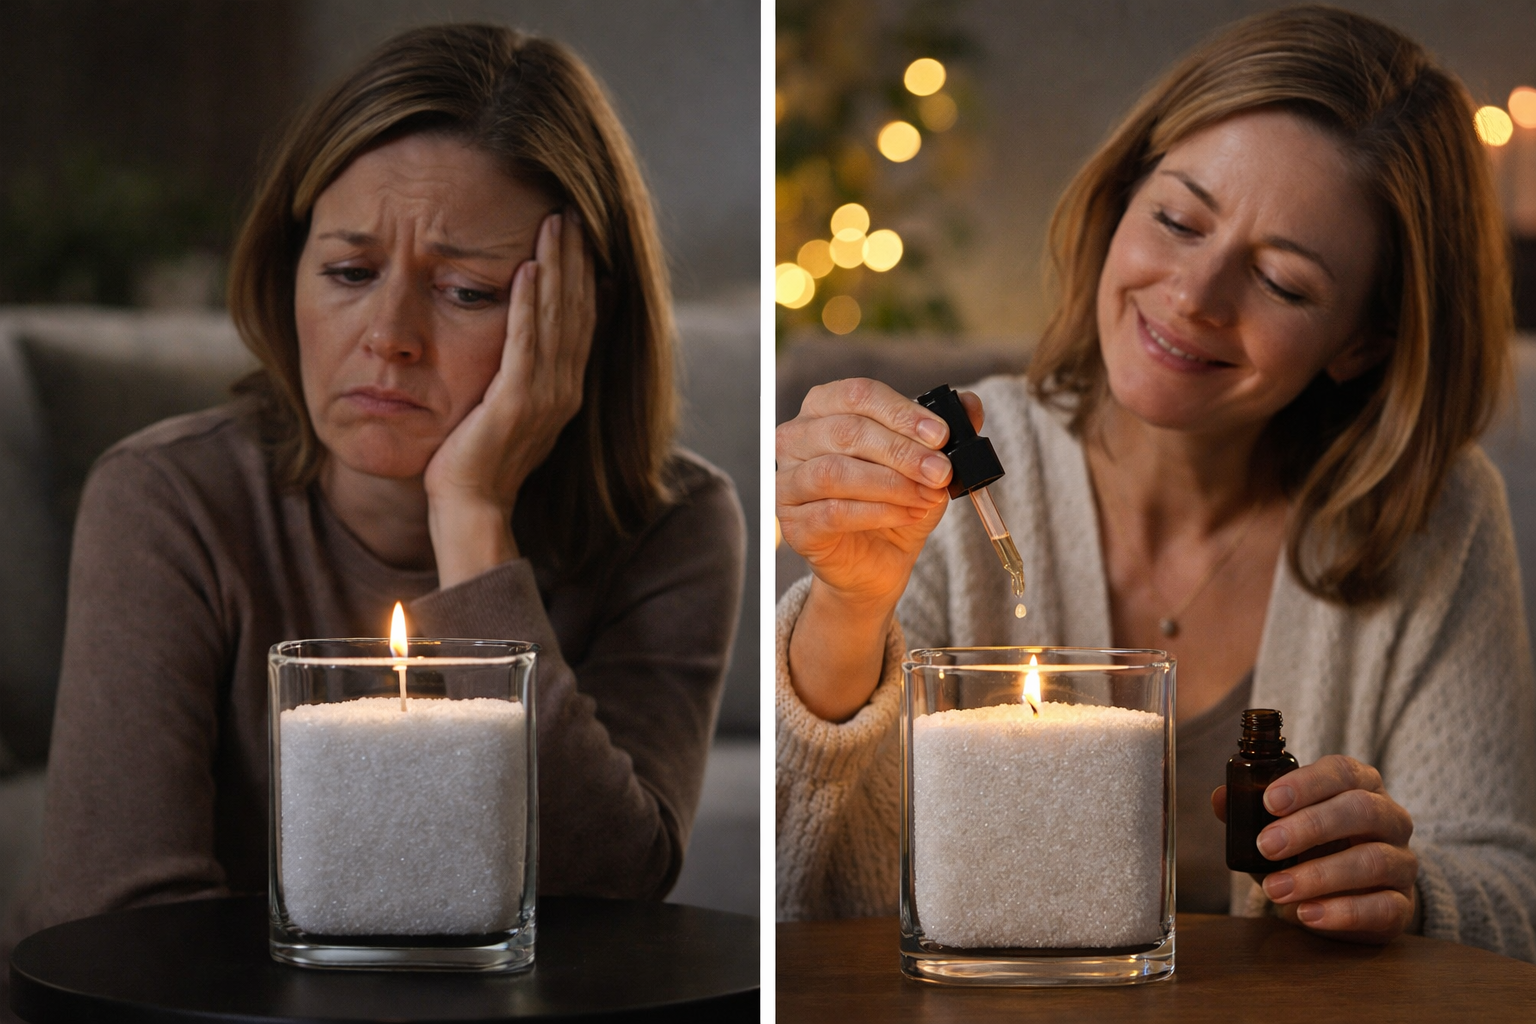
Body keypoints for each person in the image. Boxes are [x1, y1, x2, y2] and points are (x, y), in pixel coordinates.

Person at [775, 5, 1536, 959]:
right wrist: (847, 610)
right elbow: (811, 898)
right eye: (1177, 220)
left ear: (1363, 341)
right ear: (1122, 197)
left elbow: (1513, 903)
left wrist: (1409, 890)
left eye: (1283, 282)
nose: (1193, 296)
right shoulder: (953, 479)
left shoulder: (1431, 519)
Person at [3, 22, 745, 957]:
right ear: (289, 274)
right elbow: (122, 931)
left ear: (579, 314)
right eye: (350, 272)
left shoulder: (675, 524)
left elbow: (609, 893)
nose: (389, 334)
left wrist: (472, 518)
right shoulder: (165, 500)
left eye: (467, 290)